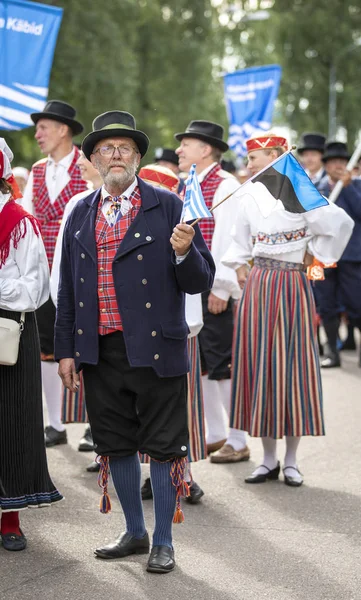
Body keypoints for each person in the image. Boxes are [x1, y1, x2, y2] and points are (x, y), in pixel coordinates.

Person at [54, 111, 215, 574]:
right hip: (100, 350)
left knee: (165, 447)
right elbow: (68, 288)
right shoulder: (80, 212)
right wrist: (66, 349)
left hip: (157, 347)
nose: (116, 154)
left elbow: (200, 279)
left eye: (125, 147)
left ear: (139, 158)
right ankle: (134, 530)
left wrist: (184, 251)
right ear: (95, 159)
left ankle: (163, 539)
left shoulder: (168, 206)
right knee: (115, 444)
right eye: (107, 148)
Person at [221, 133, 354, 487]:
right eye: (247, 158)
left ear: (277, 156)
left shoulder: (302, 191)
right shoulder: (249, 194)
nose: (248, 165)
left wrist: (318, 259)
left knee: (291, 368)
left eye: (255, 157)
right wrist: (238, 266)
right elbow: (237, 240)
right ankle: (267, 459)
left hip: (293, 285)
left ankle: (292, 461)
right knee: (261, 367)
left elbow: (339, 225)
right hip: (260, 284)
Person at [0, 139, 62, 552]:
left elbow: (35, 288)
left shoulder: (19, 221)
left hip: (8, 336)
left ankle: (10, 519)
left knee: (11, 424)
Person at [175, 120, 249, 464]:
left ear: (205, 150)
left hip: (214, 286)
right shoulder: (190, 184)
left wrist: (221, 287)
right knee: (202, 362)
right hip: (193, 287)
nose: (179, 150)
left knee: (220, 361)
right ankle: (217, 431)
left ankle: (238, 437)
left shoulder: (225, 186)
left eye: (185, 144)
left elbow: (230, 240)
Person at [137, 163, 206, 504]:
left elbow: (196, 277)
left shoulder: (181, 225)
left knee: (181, 407)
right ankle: (152, 471)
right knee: (144, 405)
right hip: (138, 331)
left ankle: (185, 472)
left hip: (179, 332)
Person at [21, 100, 87, 448]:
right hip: (44, 271)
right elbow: (29, 219)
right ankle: (55, 423)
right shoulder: (36, 169)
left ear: (63, 130)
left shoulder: (87, 166)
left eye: (43, 127)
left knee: (89, 343)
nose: (37, 134)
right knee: (47, 346)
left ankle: (93, 423)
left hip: (81, 270)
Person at [51, 150, 103, 454]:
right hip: (87, 308)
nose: (80, 163)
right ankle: (97, 434)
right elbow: (63, 264)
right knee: (92, 375)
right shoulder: (78, 204)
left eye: (84, 158)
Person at [314, 141, 361, 368]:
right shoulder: (316, 188)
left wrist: (349, 186)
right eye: (333, 162)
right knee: (326, 304)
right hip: (322, 256)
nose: (338, 165)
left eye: (342, 161)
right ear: (327, 165)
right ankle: (332, 352)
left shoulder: (357, 185)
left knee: (356, 303)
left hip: (352, 256)